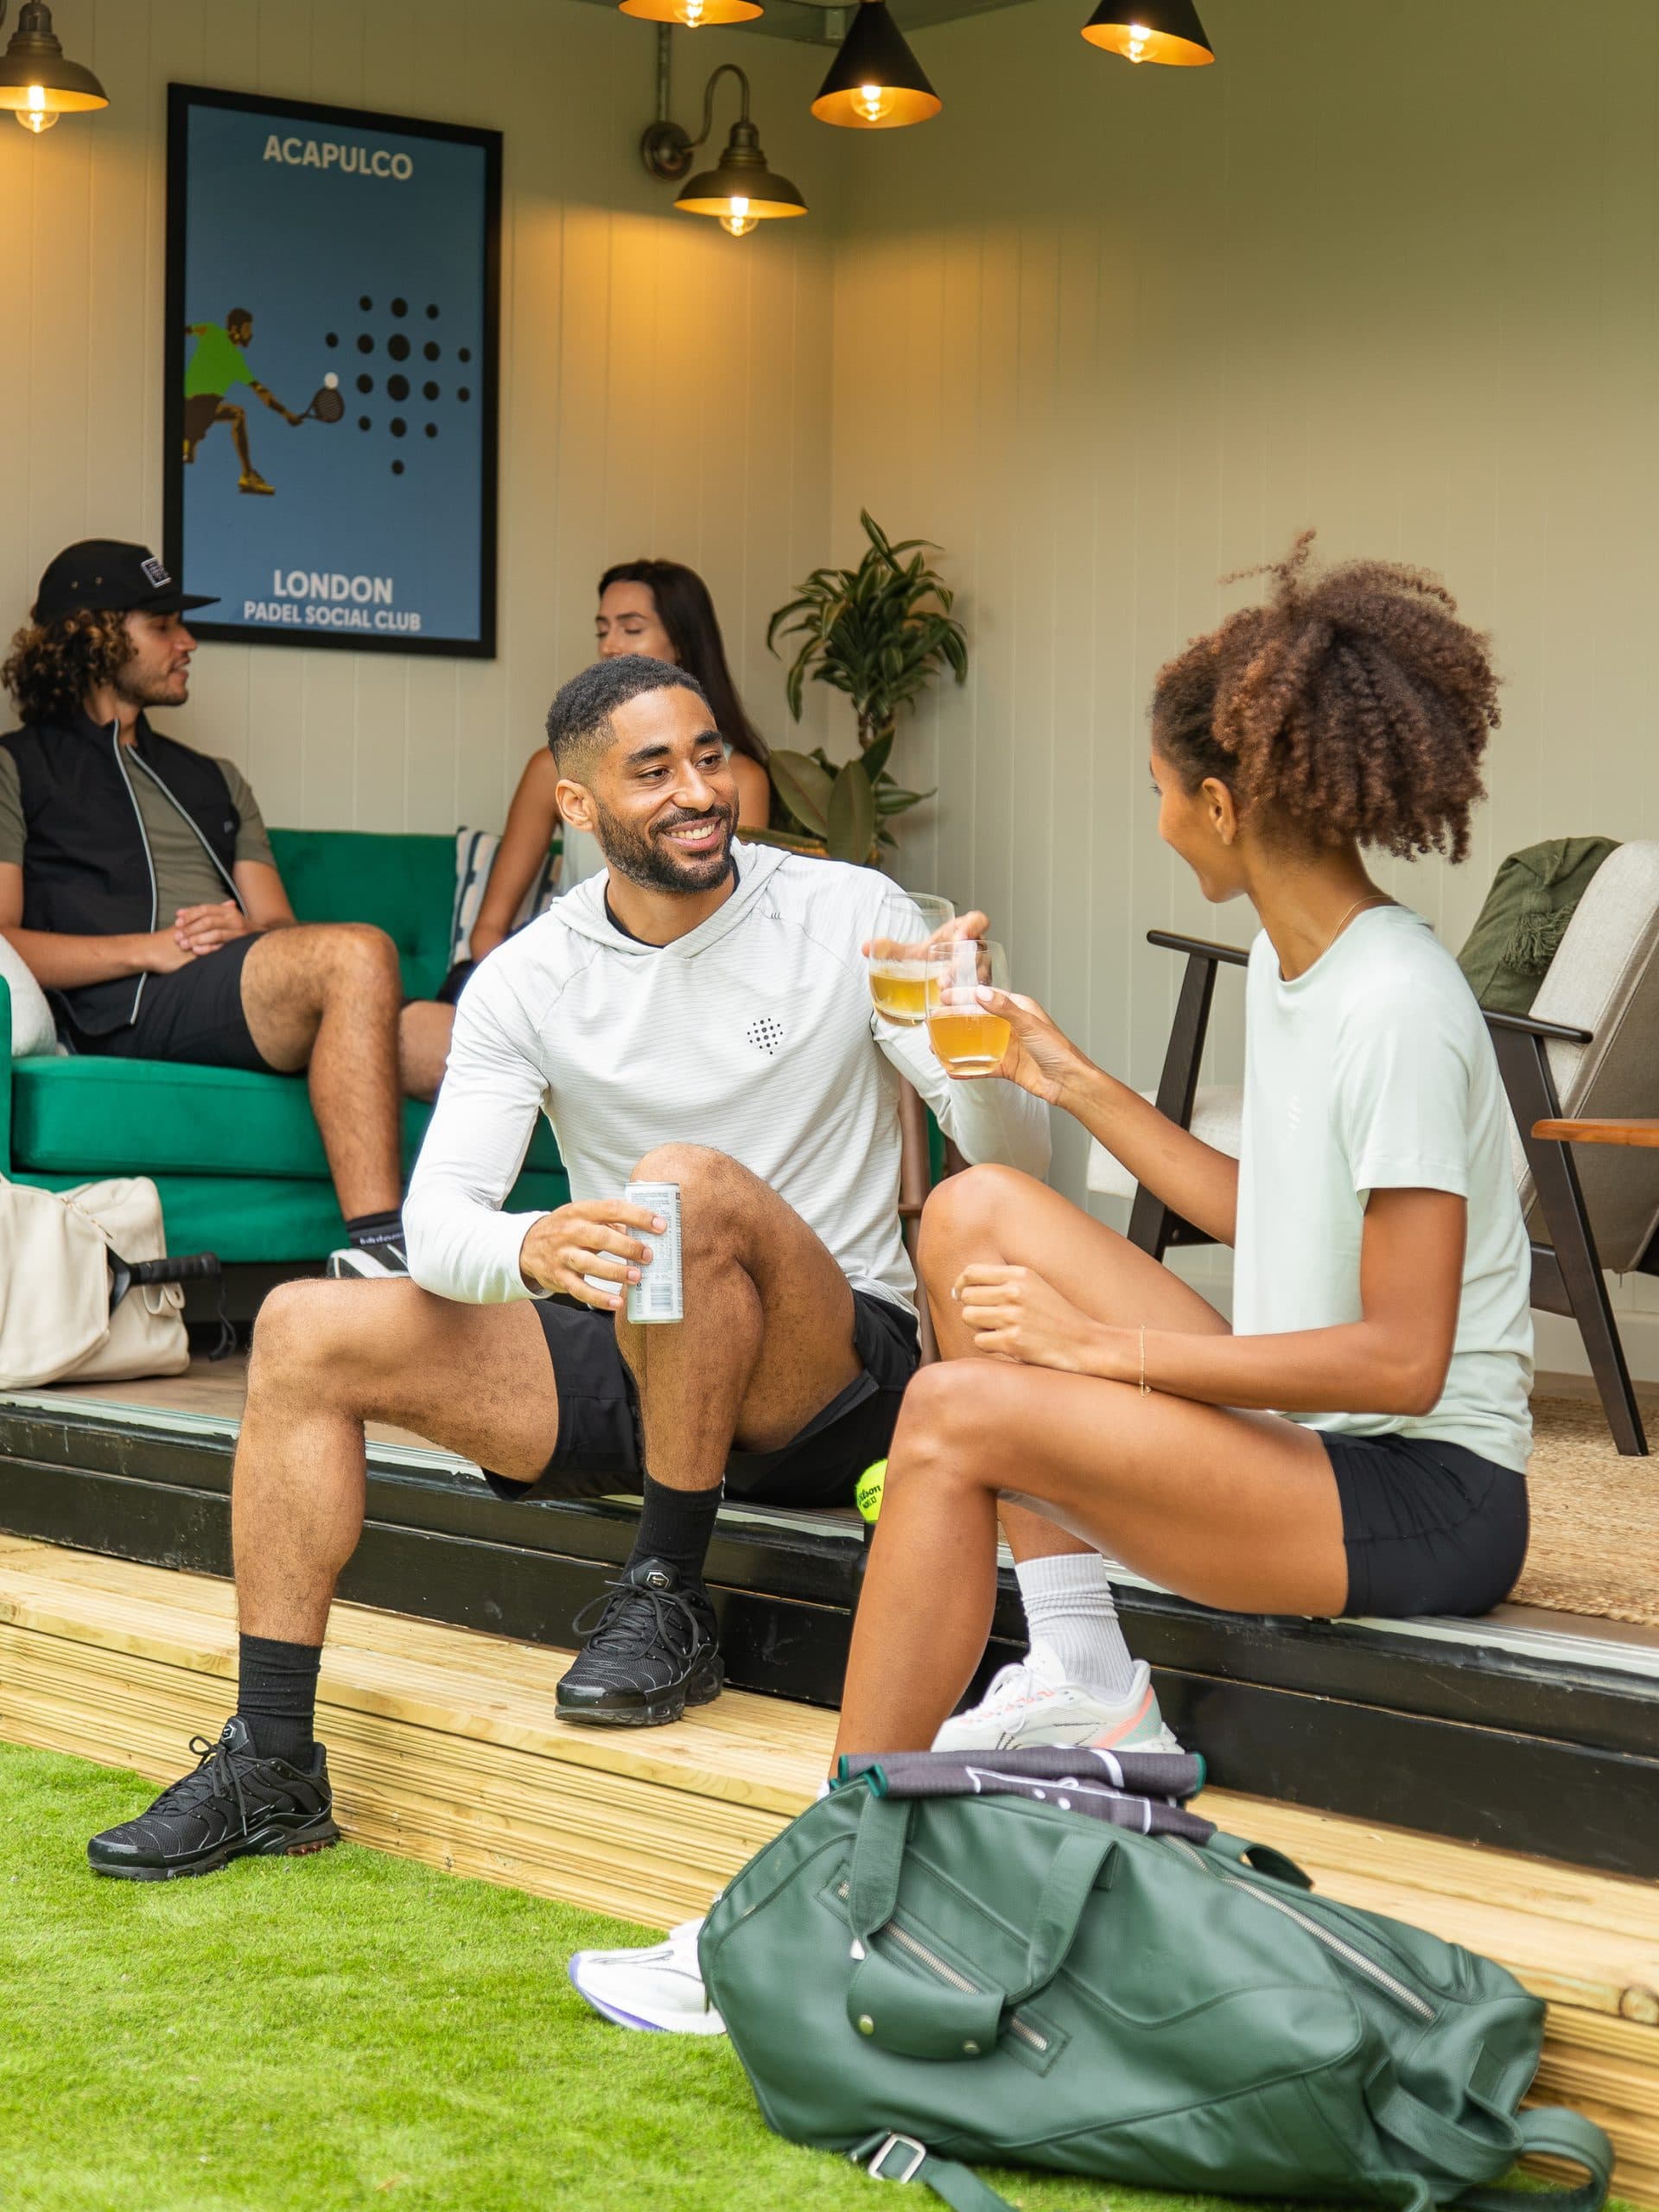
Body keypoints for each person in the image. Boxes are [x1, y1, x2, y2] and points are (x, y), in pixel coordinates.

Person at [564, 532, 1535, 2037]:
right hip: (1324, 1443)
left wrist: (1101, 1351)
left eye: (1160, 794)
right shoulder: (1307, 965)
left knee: (953, 1416)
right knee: (980, 1212)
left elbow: (1402, 1360)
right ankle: (1086, 1669)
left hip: (1421, 1489)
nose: (1156, 822)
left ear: (1224, 803)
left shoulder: (1395, 1004)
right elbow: (1263, 1215)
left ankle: (819, 1902)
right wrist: (1064, 1077)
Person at [84, 650, 1049, 1882]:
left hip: (831, 1374)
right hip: (647, 1340)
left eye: (709, 756)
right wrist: (531, 1243)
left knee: (684, 1185)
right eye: (654, 770)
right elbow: (438, 1227)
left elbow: (1012, 1165)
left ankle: (666, 1586)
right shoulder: (529, 977)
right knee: (301, 1331)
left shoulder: (855, 914)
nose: (700, 790)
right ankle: (272, 1757)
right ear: (579, 807)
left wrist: (987, 1063)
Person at [0, 539, 435, 1278]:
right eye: (163, 625)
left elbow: (283, 929)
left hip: (232, 992)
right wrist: (145, 949)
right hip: (124, 1006)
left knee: (459, 1032)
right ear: (96, 635)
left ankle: (537, 1263)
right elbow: (3, 942)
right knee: (360, 951)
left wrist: (249, 928)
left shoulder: (214, 780)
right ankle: (381, 1256)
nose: (187, 642)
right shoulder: (17, 766)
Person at [427, 560, 772, 1029]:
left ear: (682, 645)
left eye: (631, 629)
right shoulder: (552, 769)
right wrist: (537, 1004)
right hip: (563, 991)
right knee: (411, 1031)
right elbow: (489, 931)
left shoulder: (740, 779)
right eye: (603, 630)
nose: (609, 645)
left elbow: (733, 931)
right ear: (576, 802)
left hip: (676, 1002)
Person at [181, 308, 302, 496]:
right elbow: (183, 330)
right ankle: (186, 441)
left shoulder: (237, 362)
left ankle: (247, 475)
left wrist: (286, 413)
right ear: (235, 329)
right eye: (247, 329)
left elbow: (262, 393)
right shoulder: (212, 331)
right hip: (186, 405)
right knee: (209, 403)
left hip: (202, 411)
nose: (250, 334)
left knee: (237, 413)